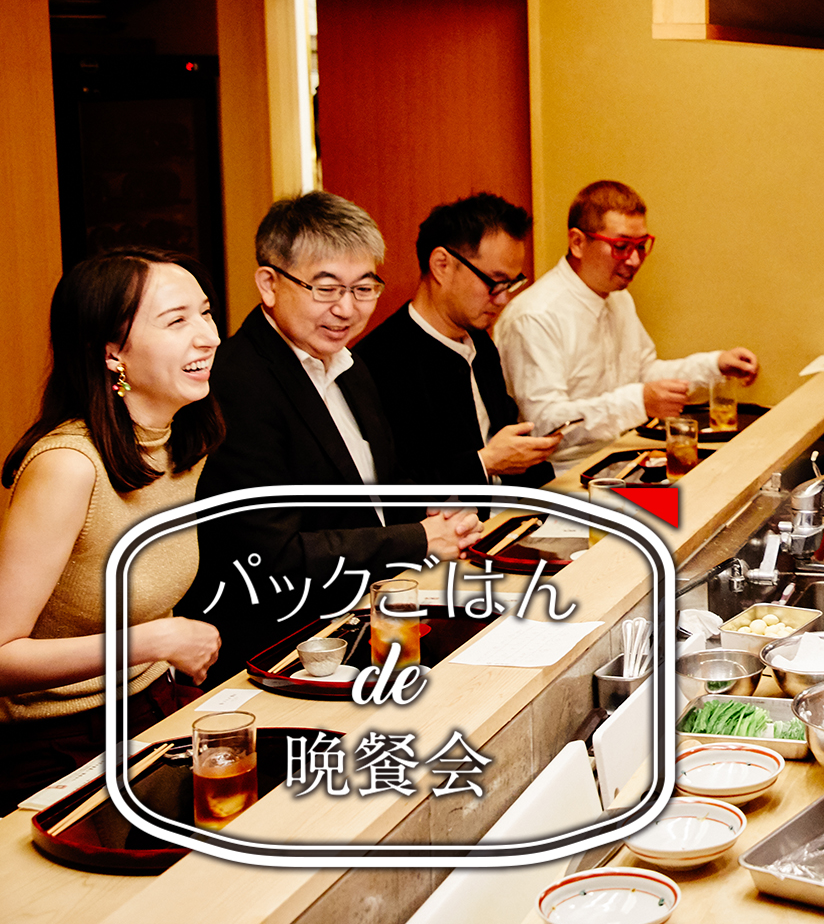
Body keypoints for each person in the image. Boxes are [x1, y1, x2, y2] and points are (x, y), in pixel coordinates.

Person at [183, 192, 480, 688]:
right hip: (282, 648)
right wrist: (418, 538)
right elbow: (270, 553)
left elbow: (370, 489)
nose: (347, 309)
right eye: (326, 289)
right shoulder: (235, 383)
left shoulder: (349, 364)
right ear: (269, 284)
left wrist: (429, 510)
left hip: (369, 617)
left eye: (364, 288)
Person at [0, 249, 225, 814]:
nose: (209, 337)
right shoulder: (69, 465)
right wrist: (154, 640)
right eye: (176, 321)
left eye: (205, 312)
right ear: (112, 353)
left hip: (150, 709)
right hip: (52, 741)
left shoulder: (181, 443)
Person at [497, 180, 759, 471]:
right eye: (621, 247)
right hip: (562, 474)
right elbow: (545, 425)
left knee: (734, 471)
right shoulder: (536, 315)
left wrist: (714, 366)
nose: (634, 260)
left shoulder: (618, 298)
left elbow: (644, 373)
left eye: (641, 246)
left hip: (623, 456)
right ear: (578, 243)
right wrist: (638, 402)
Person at [358, 191, 558, 489]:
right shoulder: (380, 361)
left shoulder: (479, 341)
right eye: (494, 282)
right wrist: (484, 463)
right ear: (442, 265)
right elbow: (395, 486)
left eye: (511, 284)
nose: (503, 299)